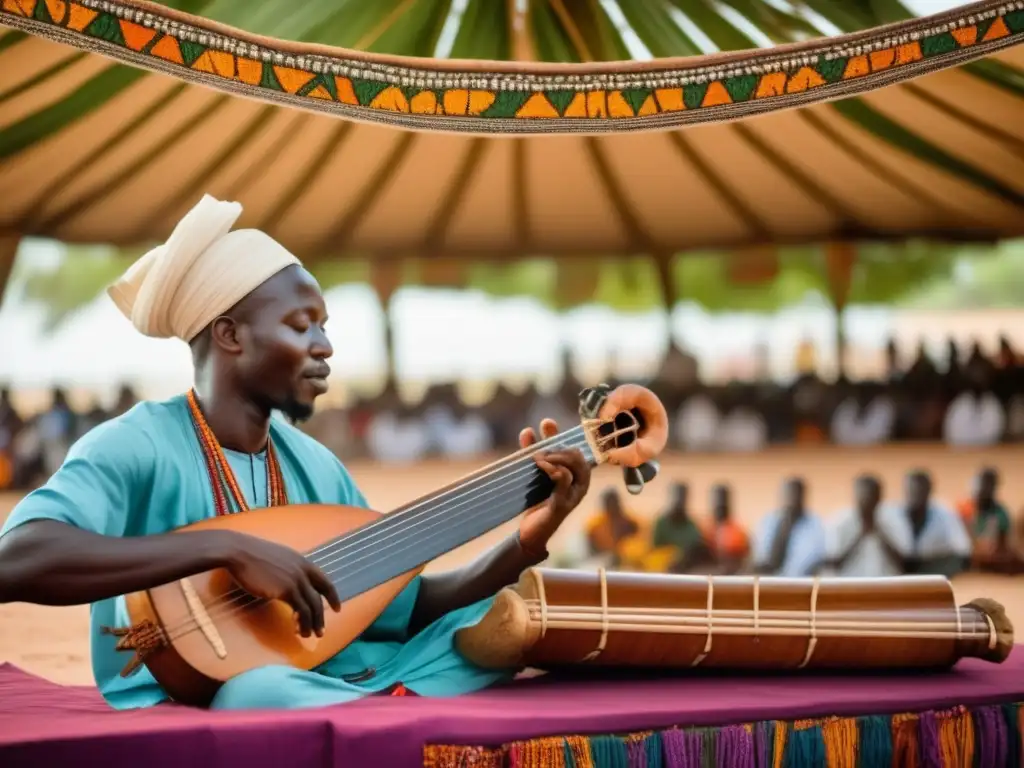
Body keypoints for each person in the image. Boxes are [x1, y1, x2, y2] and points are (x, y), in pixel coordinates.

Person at [0, 195, 592, 712]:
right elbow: (18, 559)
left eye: (324, 326)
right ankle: (382, 706)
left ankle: (371, 701)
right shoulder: (137, 444)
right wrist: (224, 547)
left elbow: (402, 609)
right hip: (186, 690)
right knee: (257, 695)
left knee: (480, 632)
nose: (325, 346)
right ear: (231, 335)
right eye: (301, 325)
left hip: (326, 673)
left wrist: (530, 536)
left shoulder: (313, 465)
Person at [884, 470, 971, 578]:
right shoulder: (889, 515)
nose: (916, 495)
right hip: (897, 569)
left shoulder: (945, 515)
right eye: (911, 490)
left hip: (933, 569)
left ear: (929, 490)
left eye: (920, 491)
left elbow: (963, 550)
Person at [824, 475, 909, 577]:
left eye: (871, 496)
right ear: (855, 496)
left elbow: (904, 564)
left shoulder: (893, 520)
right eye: (863, 495)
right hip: (850, 587)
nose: (867, 500)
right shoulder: (841, 522)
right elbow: (833, 564)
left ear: (878, 497)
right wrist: (859, 536)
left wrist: (880, 533)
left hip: (885, 586)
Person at [752, 477, 825, 577]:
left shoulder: (814, 524)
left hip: (802, 584)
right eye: (788, 494)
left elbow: (814, 559)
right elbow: (761, 555)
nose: (791, 498)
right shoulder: (768, 521)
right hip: (770, 583)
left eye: (795, 494)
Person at [956, 468, 1019, 574]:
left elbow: (1003, 545)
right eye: (983, 484)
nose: (985, 489)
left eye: (990, 485)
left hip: (990, 558)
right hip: (966, 556)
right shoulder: (964, 509)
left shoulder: (1000, 513)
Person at [648, 482, 709, 573]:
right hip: (663, 566)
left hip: (687, 567)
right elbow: (654, 548)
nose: (678, 503)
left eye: (681, 499)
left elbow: (696, 546)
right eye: (676, 499)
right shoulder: (660, 523)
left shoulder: (690, 525)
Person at [583, 488, 645, 569]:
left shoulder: (631, 523)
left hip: (628, 562)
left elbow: (640, 545)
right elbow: (590, 550)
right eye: (610, 504)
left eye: (615, 504)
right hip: (602, 561)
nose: (613, 507)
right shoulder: (595, 526)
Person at [703, 483, 748, 575]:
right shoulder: (705, 529)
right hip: (707, 572)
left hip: (731, 575)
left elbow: (742, 556)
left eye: (723, 502)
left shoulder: (737, 532)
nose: (720, 506)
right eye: (717, 502)